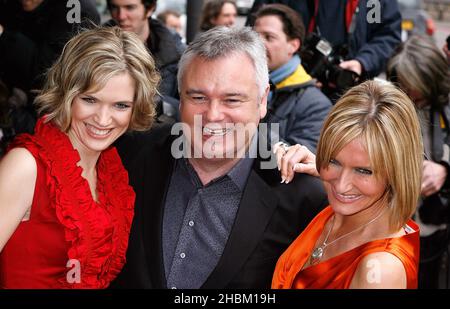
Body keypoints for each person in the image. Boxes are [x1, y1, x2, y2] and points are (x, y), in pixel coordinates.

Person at [112, 26, 327, 289]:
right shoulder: (132, 153)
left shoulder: (302, 196)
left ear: (262, 101)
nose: (212, 115)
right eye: (198, 97)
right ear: (180, 98)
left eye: (232, 100)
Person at [0, 26, 160, 288]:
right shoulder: (26, 165)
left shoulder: (111, 172)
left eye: (120, 105)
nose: (103, 119)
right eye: (90, 99)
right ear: (67, 94)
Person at [272, 80, 423, 288]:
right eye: (334, 161)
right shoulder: (344, 207)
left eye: (363, 171)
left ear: (396, 171)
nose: (341, 186)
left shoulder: (380, 272)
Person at [387, 35, 450, 289]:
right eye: (403, 85)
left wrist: (445, 168)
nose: (410, 93)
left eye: (415, 86)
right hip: (396, 226)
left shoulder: (444, 104)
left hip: (435, 227)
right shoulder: (391, 103)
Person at [247, 0, 401, 91]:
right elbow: (257, 25)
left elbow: (386, 35)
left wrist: (362, 62)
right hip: (283, 83)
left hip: (346, 87)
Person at [253, 4, 331, 152]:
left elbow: (294, 168)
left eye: (269, 37)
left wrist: (246, 125)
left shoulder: (316, 106)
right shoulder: (240, 84)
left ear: (293, 45)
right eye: (255, 36)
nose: (258, 44)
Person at [105, 0, 184, 101]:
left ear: (150, 9)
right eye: (114, 7)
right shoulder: (91, 48)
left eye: (130, 8)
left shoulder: (177, 54)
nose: (121, 16)